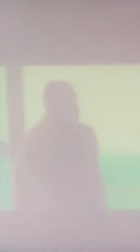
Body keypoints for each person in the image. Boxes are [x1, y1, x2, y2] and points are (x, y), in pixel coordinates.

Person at [14, 80, 105, 211]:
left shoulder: (31, 138)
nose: (76, 107)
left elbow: (94, 182)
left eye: (74, 101)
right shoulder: (35, 141)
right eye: (70, 101)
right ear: (51, 105)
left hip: (77, 219)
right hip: (53, 220)